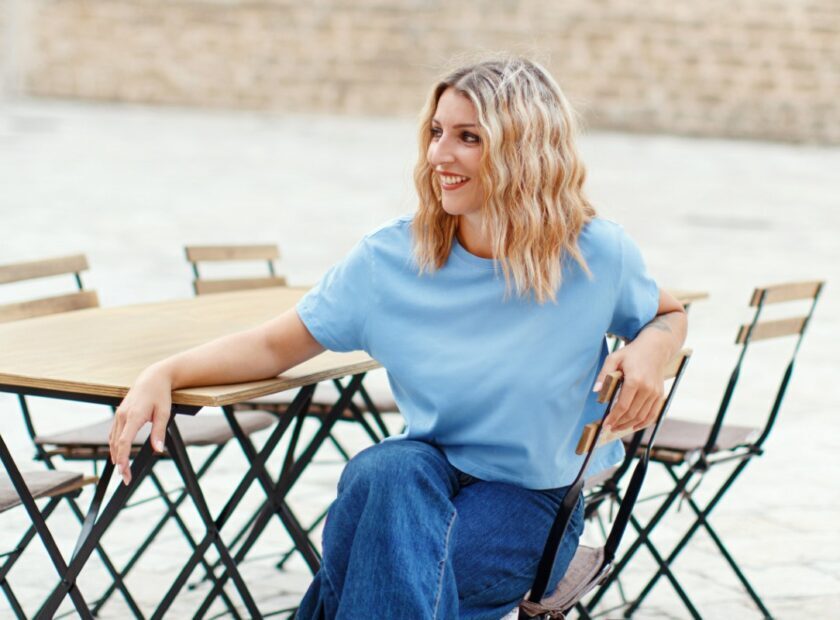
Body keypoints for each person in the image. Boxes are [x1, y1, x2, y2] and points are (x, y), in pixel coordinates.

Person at [109, 56, 687, 619]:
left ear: (524, 150)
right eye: (436, 132)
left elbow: (667, 314)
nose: (439, 154)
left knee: (381, 564)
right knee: (386, 468)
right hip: (420, 483)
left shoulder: (595, 255)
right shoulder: (390, 259)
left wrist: (650, 350)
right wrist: (165, 372)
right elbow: (273, 347)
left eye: (469, 137)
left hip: (531, 501)